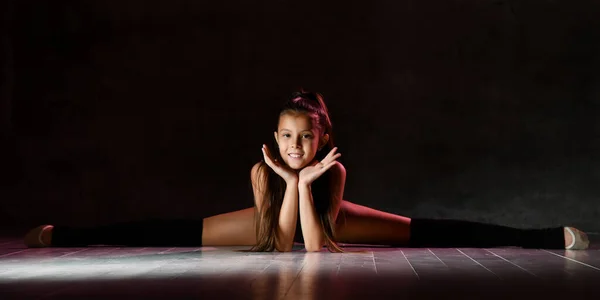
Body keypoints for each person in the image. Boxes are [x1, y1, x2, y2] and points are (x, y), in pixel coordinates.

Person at [24, 91, 590, 251]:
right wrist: (289, 182)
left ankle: (544, 237)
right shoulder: (262, 169)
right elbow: (279, 240)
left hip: (331, 222)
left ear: (322, 139)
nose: (296, 146)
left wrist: (309, 182)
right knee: (163, 230)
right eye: (287, 139)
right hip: (269, 224)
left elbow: (316, 251)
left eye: (305, 139)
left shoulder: (332, 172)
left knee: (434, 229)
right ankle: (63, 235)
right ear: (276, 139)